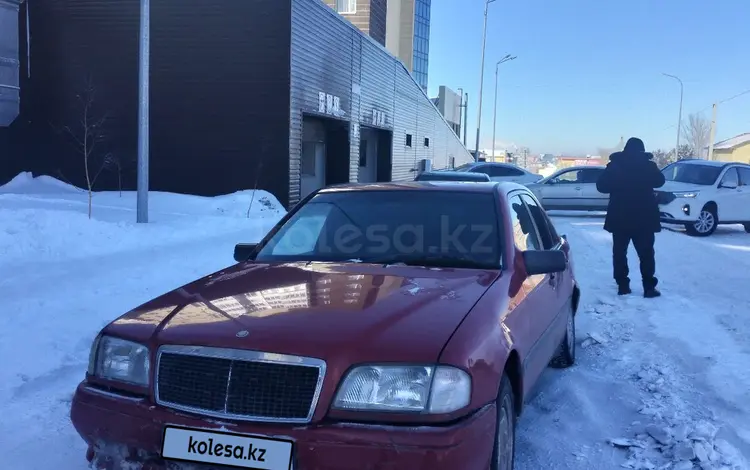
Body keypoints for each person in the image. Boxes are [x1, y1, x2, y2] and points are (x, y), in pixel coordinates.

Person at [596, 137, 666, 298]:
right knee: (646, 254)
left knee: (620, 253)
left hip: (620, 217)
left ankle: (623, 286)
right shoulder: (648, 166)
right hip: (644, 218)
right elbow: (660, 181)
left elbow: (601, 186)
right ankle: (649, 287)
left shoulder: (615, 165)